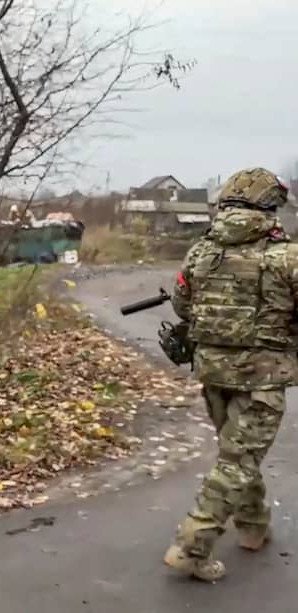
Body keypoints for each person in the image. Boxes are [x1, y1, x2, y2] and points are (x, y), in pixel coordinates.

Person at [163, 167, 294, 582]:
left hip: (212, 372)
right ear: (269, 208)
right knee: (239, 459)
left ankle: (253, 527)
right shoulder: (287, 257)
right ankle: (191, 547)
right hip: (263, 376)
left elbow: (183, 306)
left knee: (237, 454)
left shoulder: (202, 251)